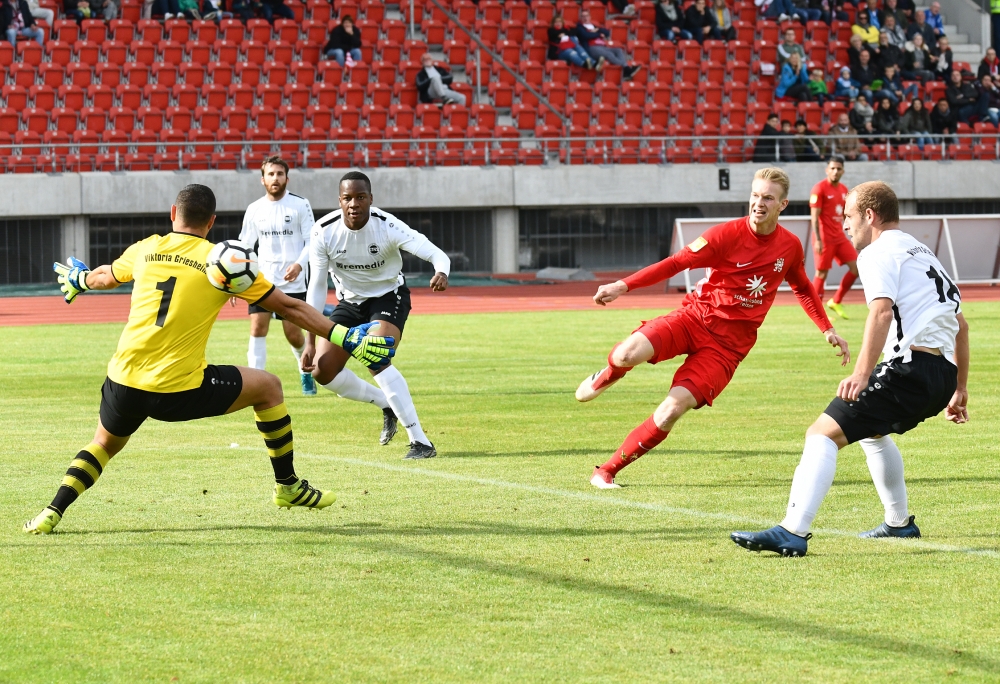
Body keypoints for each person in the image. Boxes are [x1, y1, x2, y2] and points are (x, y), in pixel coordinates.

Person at [23, 185, 395, 535]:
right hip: (178, 389)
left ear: (173, 213)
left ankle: (52, 511)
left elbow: (106, 277)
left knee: (102, 445)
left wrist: (81, 279)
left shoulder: (147, 248)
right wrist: (343, 335)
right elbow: (289, 307)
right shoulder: (224, 263)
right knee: (269, 387)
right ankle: (287, 486)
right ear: (212, 222)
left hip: (123, 381)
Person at [731, 181, 969, 557]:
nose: (844, 224)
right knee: (873, 433)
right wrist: (960, 388)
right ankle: (899, 523)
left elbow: (881, 312)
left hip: (909, 370)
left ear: (869, 216)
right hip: (942, 375)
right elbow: (961, 325)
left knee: (821, 435)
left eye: (849, 216)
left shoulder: (876, 253)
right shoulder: (923, 252)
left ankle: (792, 531)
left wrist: (861, 373)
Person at [577, 168, 850, 490]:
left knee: (671, 411)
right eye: (755, 195)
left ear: (783, 204)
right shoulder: (724, 235)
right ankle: (608, 375)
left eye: (768, 198)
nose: (759, 203)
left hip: (728, 349)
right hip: (694, 318)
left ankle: (607, 471)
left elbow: (802, 287)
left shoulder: (789, 246)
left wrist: (826, 328)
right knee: (626, 354)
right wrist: (623, 285)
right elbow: (676, 263)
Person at [304, 172, 451, 461]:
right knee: (323, 371)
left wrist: (442, 272)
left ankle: (420, 442)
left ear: (371, 199)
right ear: (339, 201)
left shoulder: (388, 226)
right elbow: (317, 287)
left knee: (375, 354)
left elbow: (437, 254)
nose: (354, 204)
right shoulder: (323, 231)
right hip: (349, 303)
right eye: (347, 198)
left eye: (360, 197)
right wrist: (310, 340)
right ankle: (386, 403)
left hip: (388, 296)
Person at [237, 157, 317, 398]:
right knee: (257, 328)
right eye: (271, 174)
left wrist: (299, 264)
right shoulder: (254, 209)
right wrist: (236, 280)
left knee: (293, 334)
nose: (275, 178)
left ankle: (305, 371)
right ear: (262, 180)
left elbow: (312, 241)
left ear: (287, 179)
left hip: (293, 282)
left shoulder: (300, 205)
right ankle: (255, 383)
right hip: (262, 280)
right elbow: (245, 245)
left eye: (280, 174)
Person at [809, 156, 858, 319]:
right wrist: (818, 240)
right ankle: (816, 312)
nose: (835, 171)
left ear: (843, 171)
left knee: (857, 267)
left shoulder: (844, 189)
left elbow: (845, 215)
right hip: (824, 238)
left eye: (838, 169)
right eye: (832, 168)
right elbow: (814, 217)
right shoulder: (819, 188)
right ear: (827, 170)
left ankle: (836, 301)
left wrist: (852, 231)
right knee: (821, 273)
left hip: (839, 237)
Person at [575, 9, 641, 80]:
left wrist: (597, 30)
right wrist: (598, 34)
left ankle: (626, 70)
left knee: (618, 50)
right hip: (592, 47)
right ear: (580, 18)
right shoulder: (579, 27)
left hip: (602, 46)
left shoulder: (593, 26)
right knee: (609, 54)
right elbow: (586, 35)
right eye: (583, 16)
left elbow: (606, 32)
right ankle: (626, 68)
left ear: (590, 17)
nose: (585, 18)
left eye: (587, 16)